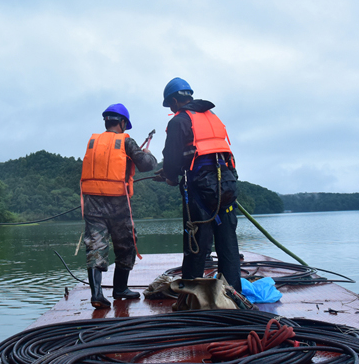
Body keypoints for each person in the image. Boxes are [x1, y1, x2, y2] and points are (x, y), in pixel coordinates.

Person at [156, 77, 242, 292]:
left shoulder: (179, 120)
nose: (171, 109)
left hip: (200, 186)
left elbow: (173, 156)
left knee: (196, 242)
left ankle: (192, 296)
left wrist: (169, 176)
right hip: (226, 184)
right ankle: (232, 294)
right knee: (228, 242)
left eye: (170, 105)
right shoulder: (212, 117)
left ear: (175, 101)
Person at [81, 103, 157, 308]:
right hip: (118, 205)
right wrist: (147, 153)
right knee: (126, 244)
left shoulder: (93, 141)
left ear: (107, 121)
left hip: (92, 205)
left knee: (96, 246)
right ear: (123, 122)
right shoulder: (126, 141)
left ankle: (97, 294)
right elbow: (147, 165)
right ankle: (120, 288)